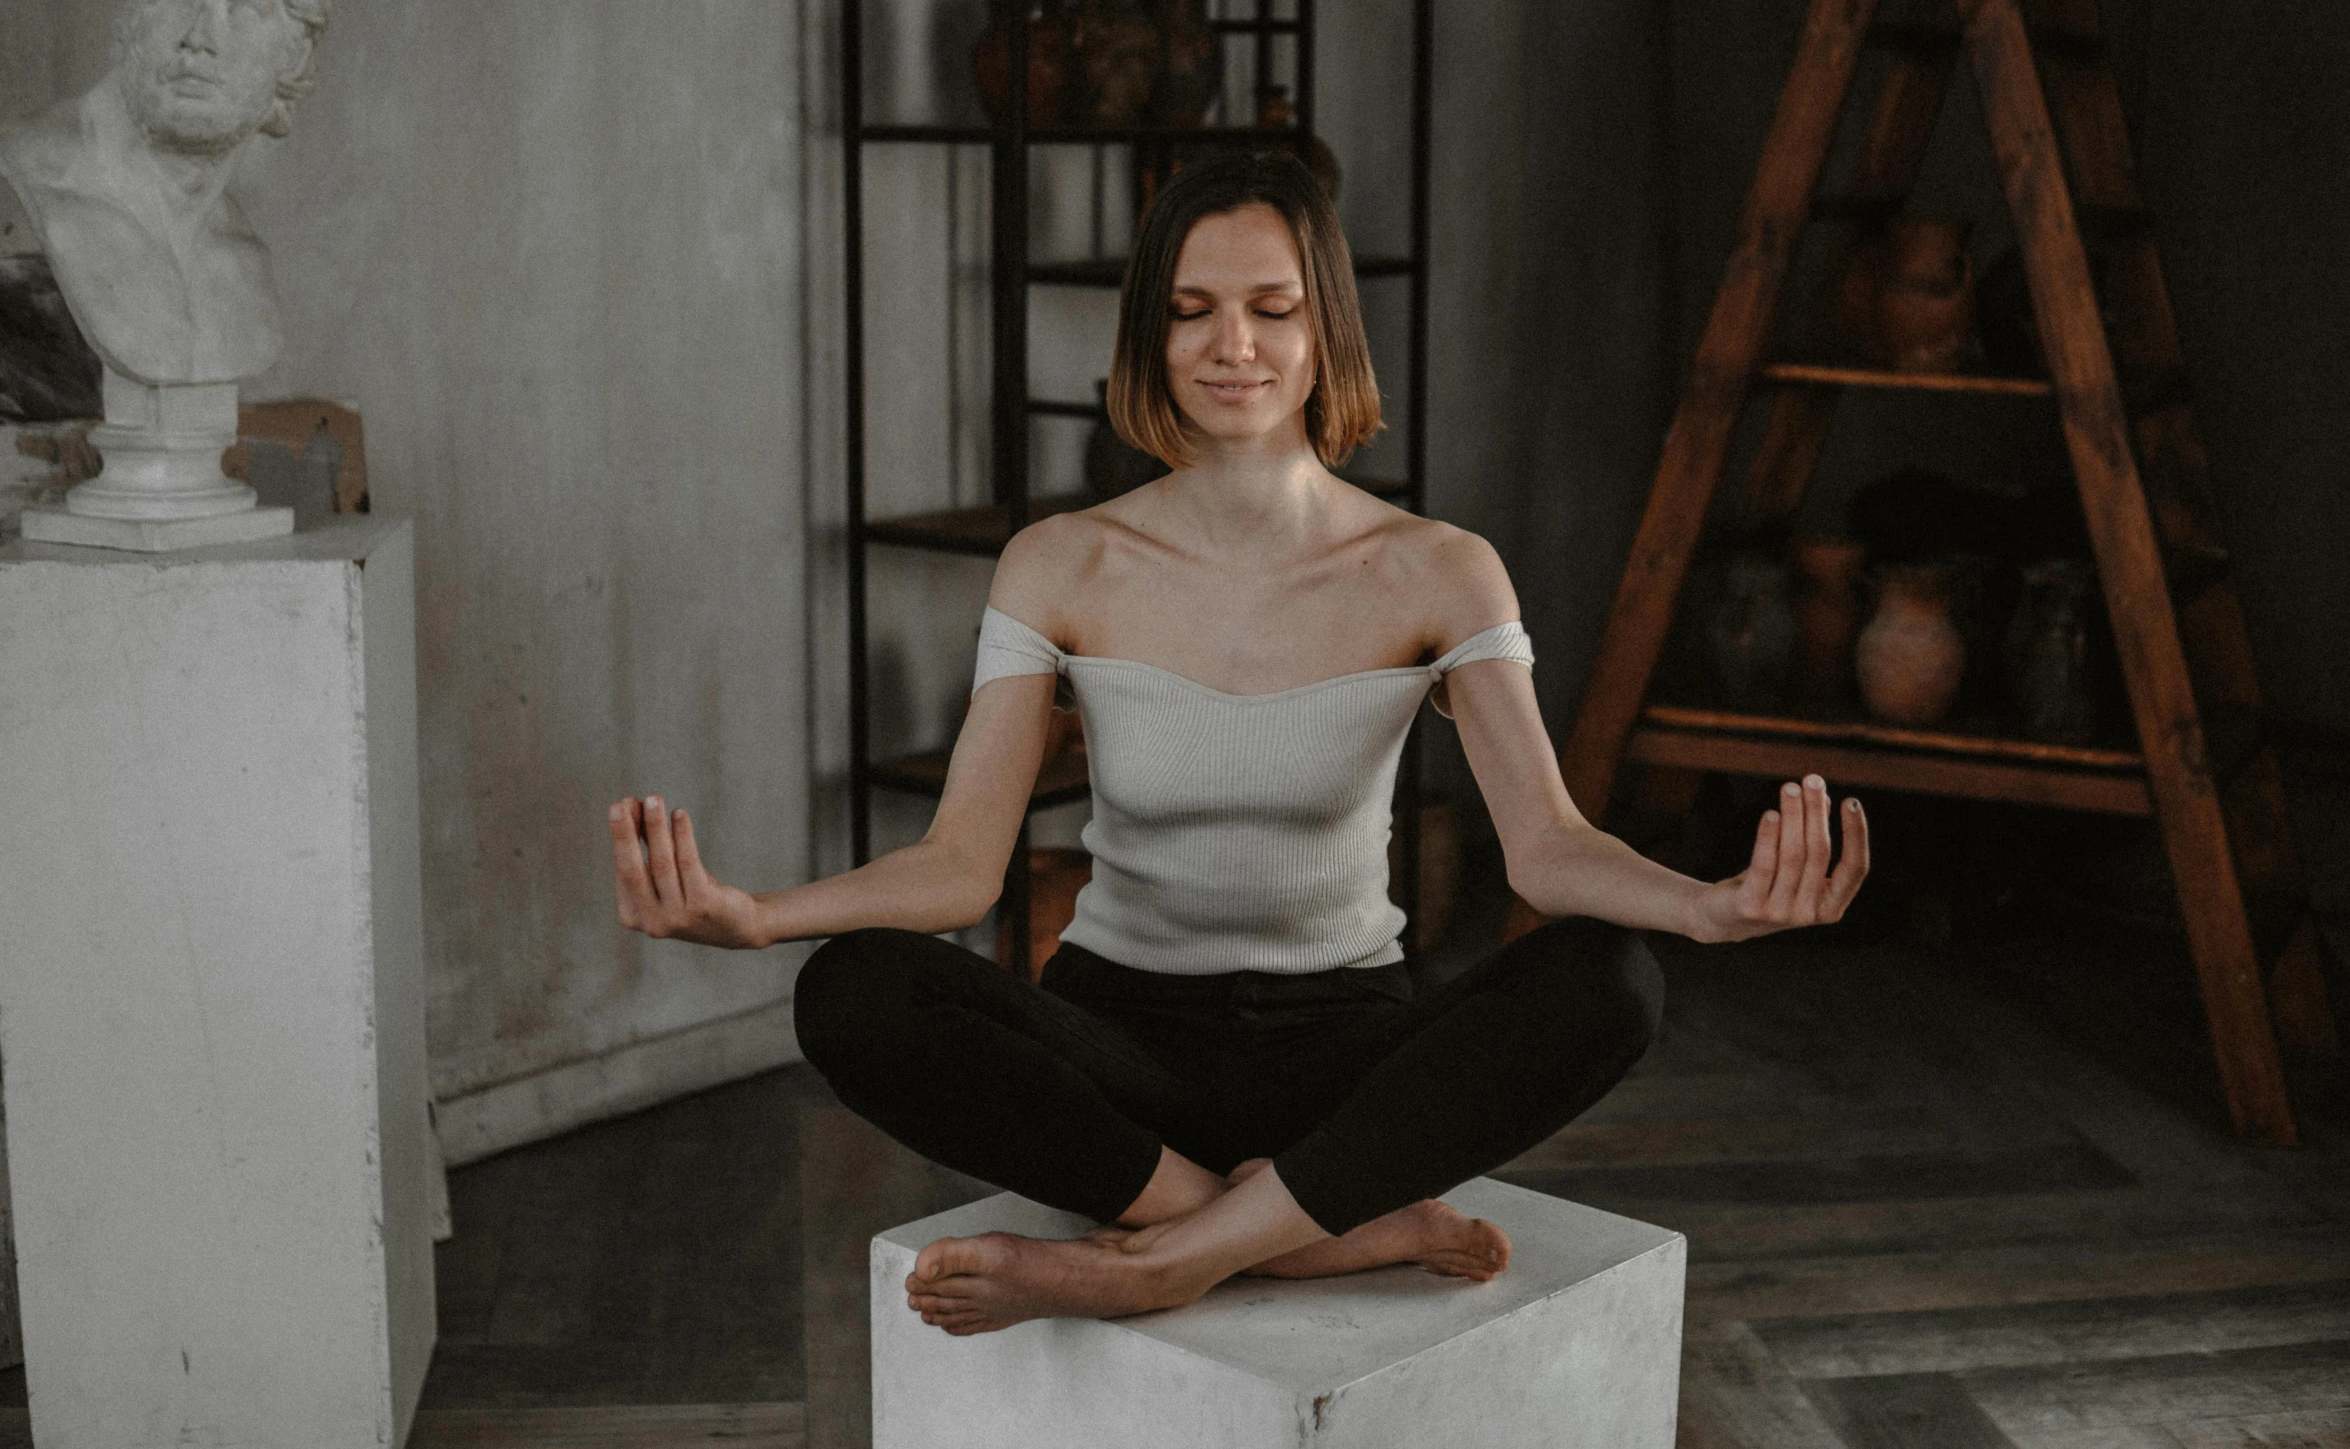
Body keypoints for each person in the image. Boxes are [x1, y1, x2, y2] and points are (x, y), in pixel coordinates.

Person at [608, 152, 1868, 1337]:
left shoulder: (1439, 568)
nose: (1233, 346)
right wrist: (760, 917)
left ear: (1324, 328)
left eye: (1271, 307)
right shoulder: (1058, 563)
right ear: (1149, 333)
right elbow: (956, 868)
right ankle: (1298, 1229)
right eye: (1192, 309)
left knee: (1611, 980)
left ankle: (1161, 1260)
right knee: (853, 987)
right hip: (1121, 1053)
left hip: (1343, 1051)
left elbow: (1545, 848)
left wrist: (1707, 908)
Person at [0, 0, 331, 387]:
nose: (198, 39)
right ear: (131, 17)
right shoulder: (24, 181)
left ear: (291, 57)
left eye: (240, 10)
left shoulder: (241, 261)